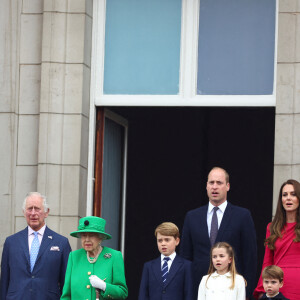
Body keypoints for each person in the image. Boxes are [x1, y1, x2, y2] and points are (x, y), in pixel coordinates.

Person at [180, 167, 257, 300]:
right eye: (211, 182)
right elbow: (185, 256)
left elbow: (250, 257)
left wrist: (247, 291)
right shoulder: (192, 217)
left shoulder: (242, 216)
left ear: (228, 186)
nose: (214, 187)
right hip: (199, 289)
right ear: (206, 186)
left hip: (231, 290)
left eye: (219, 183)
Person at [0, 192, 72, 300]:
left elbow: (66, 283)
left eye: (37, 208)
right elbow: (4, 280)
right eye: (29, 209)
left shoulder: (62, 243)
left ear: (46, 212)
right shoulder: (11, 242)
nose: (33, 213)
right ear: (24, 212)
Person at [61, 216, 128, 300]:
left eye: (92, 235)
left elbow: (122, 293)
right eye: (84, 235)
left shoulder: (114, 256)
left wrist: (104, 286)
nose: (87, 240)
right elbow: (66, 295)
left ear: (101, 238)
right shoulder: (74, 257)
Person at [253, 179, 300, 300]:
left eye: (293, 194)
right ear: (281, 200)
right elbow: (267, 261)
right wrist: (261, 288)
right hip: (276, 285)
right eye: (284, 195)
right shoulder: (272, 227)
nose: (288, 198)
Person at [138, 222, 193, 300]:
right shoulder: (149, 266)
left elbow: (189, 294)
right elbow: (143, 294)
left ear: (177, 241)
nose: (163, 244)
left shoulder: (186, 265)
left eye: (167, 240)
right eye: (160, 241)